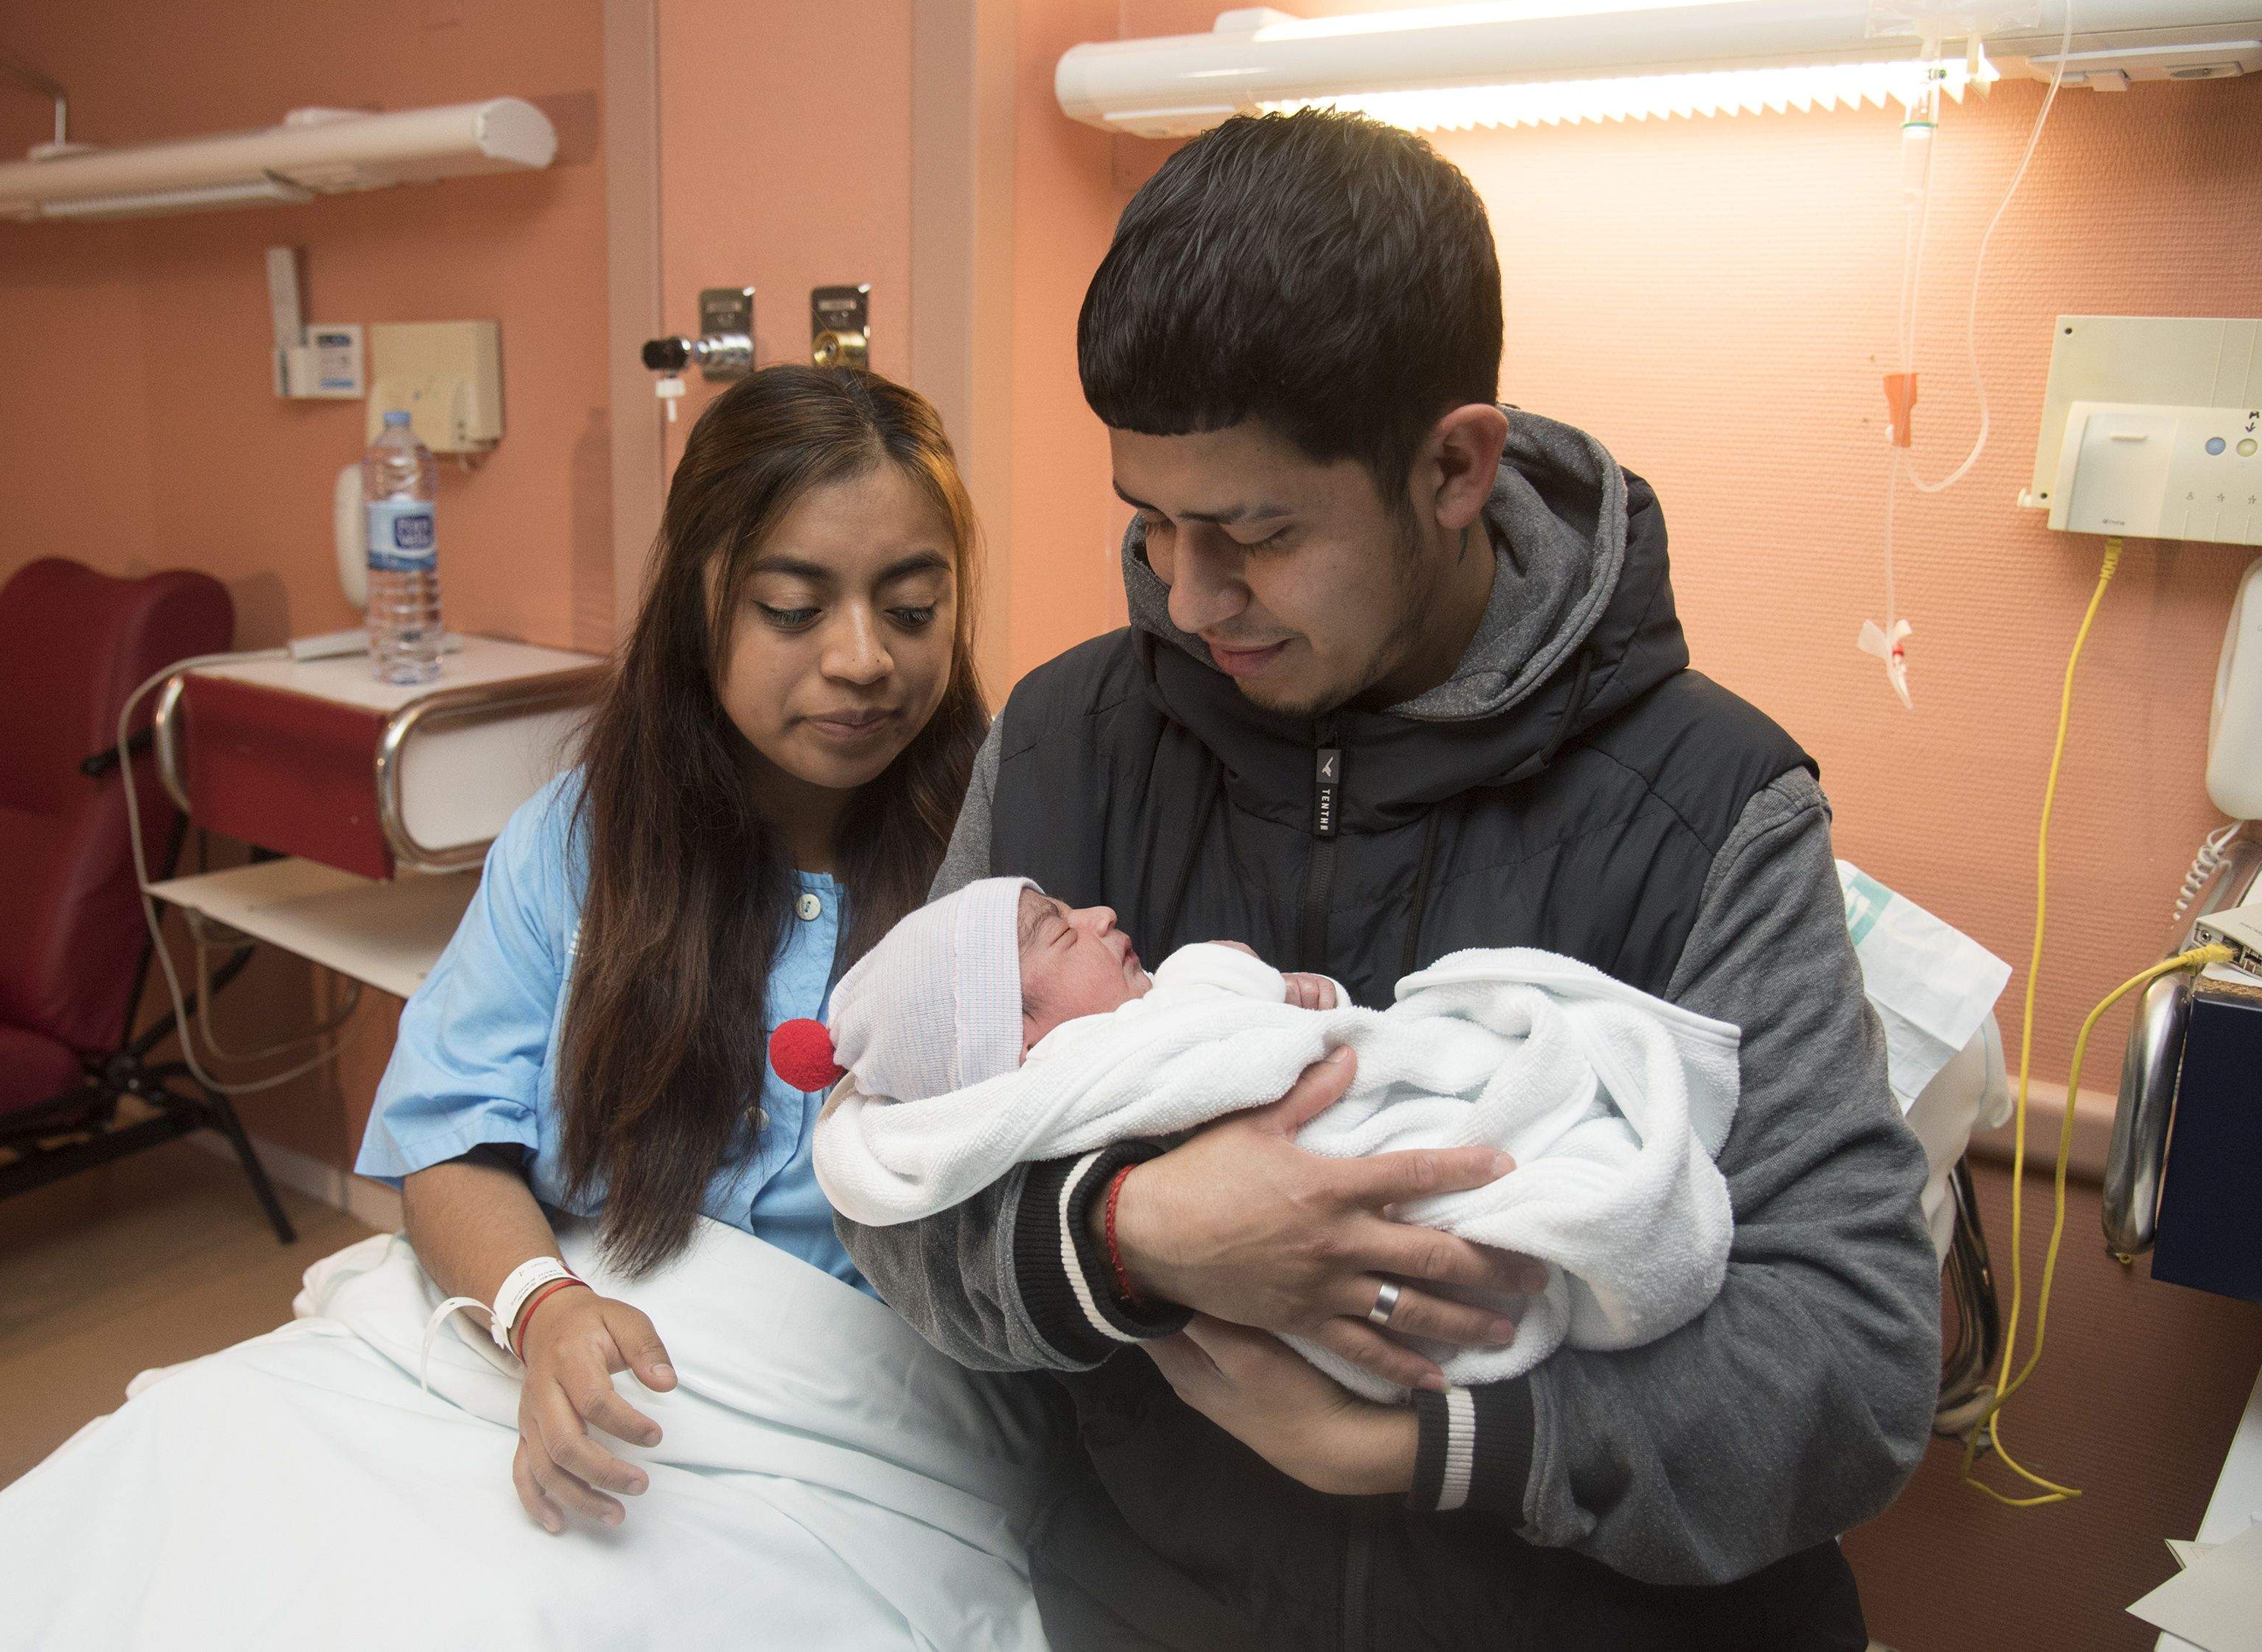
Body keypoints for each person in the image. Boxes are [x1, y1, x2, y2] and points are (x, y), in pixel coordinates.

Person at [838, 110, 1940, 1650]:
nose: (1189, 593)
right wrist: (1130, 1233)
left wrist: (1444, 1438)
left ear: (1453, 466)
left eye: (1256, 532)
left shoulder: (1714, 807)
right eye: (1150, 522)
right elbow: (892, 1192)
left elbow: (1854, 1366)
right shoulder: (1064, 742)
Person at [356, 363, 988, 1537]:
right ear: (701, 601)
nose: (863, 658)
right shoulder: (576, 846)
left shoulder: (1006, 870)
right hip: (565, 1358)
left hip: (855, 1435)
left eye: (912, 609)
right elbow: (443, 1136)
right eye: (793, 609)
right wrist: (540, 1304)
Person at [806, 876, 1744, 1401]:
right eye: (1058, 930)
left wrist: (1284, 998)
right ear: (1011, 1040)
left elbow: (1269, 1038)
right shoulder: (1082, 1068)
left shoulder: (1123, 1029)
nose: (1099, 915)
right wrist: (1131, 1226)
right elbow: (1225, 1063)